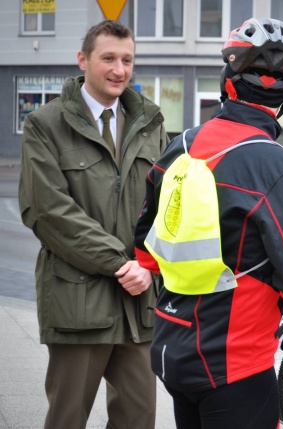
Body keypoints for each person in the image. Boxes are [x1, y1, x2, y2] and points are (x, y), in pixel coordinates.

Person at [133, 18, 283, 428]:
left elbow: (147, 255)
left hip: (173, 347)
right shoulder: (276, 164)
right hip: (235, 364)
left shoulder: (179, 147)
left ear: (227, 82)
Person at [18, 20, 168, 429]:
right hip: (78, 303)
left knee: (138, 419)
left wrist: (149, 265)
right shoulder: (45, 124)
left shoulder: (151, 123)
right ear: (83, 60)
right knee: (67, 419)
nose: (119, 70)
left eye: (127, 60)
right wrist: (123, 264)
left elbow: (168, 205)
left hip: (138, 304)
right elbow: (47, 211)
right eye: (109, 59)